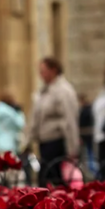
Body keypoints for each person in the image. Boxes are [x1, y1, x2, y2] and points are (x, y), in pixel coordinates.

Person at [27, 57, 80, 186]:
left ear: (54, 70)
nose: (41, 75)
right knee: (45, 180)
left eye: (43, 71)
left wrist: (73, 149)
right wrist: (28, 139)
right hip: (44, 142)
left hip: (57, 142)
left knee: (55, 181)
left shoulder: (64, 91)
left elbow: (70, 120)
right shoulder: (44, 91)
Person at [78, 94, 97, 176]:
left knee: (89, 155)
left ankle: (93, 171)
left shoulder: (84, 111)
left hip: (86, 135)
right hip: (88, 135)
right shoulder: (89, 109)